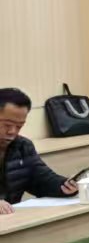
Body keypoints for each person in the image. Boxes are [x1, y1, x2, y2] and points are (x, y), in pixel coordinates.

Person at [0, 87, 76, 215]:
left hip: (10, 219)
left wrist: (65, 185)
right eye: (7, 125)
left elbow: (42, 180)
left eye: (19, 126)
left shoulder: (22, 146)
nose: (12, 131)